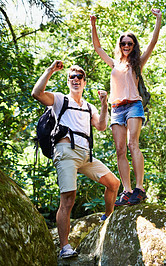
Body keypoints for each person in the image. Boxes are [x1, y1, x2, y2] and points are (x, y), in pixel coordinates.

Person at [31, 61, 120, 259]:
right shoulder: (60, 100)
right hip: (66, 152)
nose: (76, 79)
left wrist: (104, 104)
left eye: (80, 77)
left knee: (113, 183)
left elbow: (101, 126)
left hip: (86, 155)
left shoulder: (89, 107)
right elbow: (37, 93)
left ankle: (107, 217)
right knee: (68, 198)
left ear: (84, 82)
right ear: (68, 81)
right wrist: (50, 70)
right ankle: (65, 247)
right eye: (72, 77)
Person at [90, 8, 162, 206]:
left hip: (133, 106)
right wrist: (93, 24)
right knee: (120, 150)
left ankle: (139, 188)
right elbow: (97, 48)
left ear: (134, 45)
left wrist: (158, 19)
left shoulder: (137, 62)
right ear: (120, 45)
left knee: (133, 145)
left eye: (130, 43)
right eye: (123, 43)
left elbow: (153, 42)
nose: (126, 46)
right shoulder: (114, 64)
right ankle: (127, 190)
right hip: (116, 109)